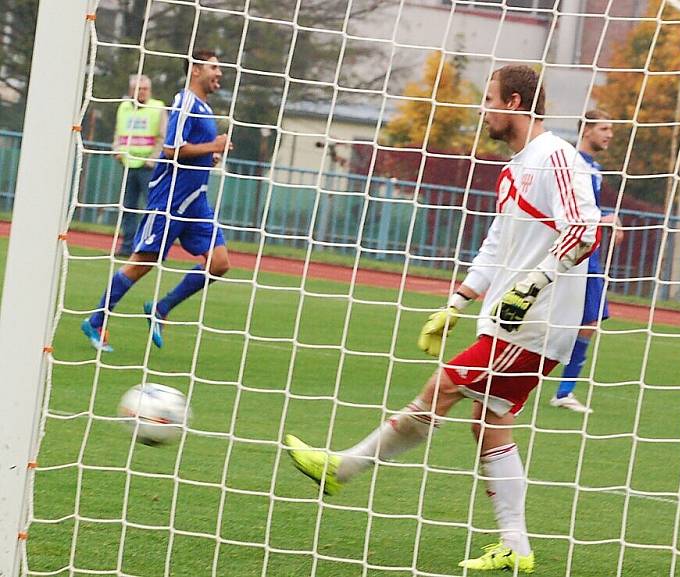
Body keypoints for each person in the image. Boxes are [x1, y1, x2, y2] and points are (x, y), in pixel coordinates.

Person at [284, 65, 600, 574]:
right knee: (488, 422)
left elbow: (585, 231)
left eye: (490, 99)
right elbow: (497, 249)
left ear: (514, 103)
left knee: (444, 389)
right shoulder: (512, 170)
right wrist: (457, 303)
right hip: (509, 318)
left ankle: (344, 466)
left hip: (537, 320)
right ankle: (516, 548)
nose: (484, 109)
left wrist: (533, 285)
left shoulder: (556, 157)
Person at [81, 50, 232, 353]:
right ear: (195, 70)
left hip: (195, 202)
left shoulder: (203, 107)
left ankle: (160, 309)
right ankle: (95, 321)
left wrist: (210, 155)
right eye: (214, 67)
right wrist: (213, 145)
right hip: (170, 201)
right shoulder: (185, 102)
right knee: (141, 265)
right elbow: (171, 149)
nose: (220, 74)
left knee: (219, 263)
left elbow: (191, 151)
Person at [550, 109, 623, 414]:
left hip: (588, 253)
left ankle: (565, 392)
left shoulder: (594, 167)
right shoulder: (573, 163)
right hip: (573, 251)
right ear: (587, 130)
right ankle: (558, 390)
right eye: (604, 128)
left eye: (611, 129)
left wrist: (608, 221)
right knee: (557, 320)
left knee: (589, 321)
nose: (609, 134)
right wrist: (604, 219)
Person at [113, 74, 167, 257]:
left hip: (148, 166)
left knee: (152, 207)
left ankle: (152, 247)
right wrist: (117, 150)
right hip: (128, 164)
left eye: (144, 89)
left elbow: (162, 136)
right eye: (138, 89)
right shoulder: (124, 108)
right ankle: (128, 245)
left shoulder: (157, 108)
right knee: (128, 206)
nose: (141, 92)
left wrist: (153, 158)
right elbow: (118, 131)